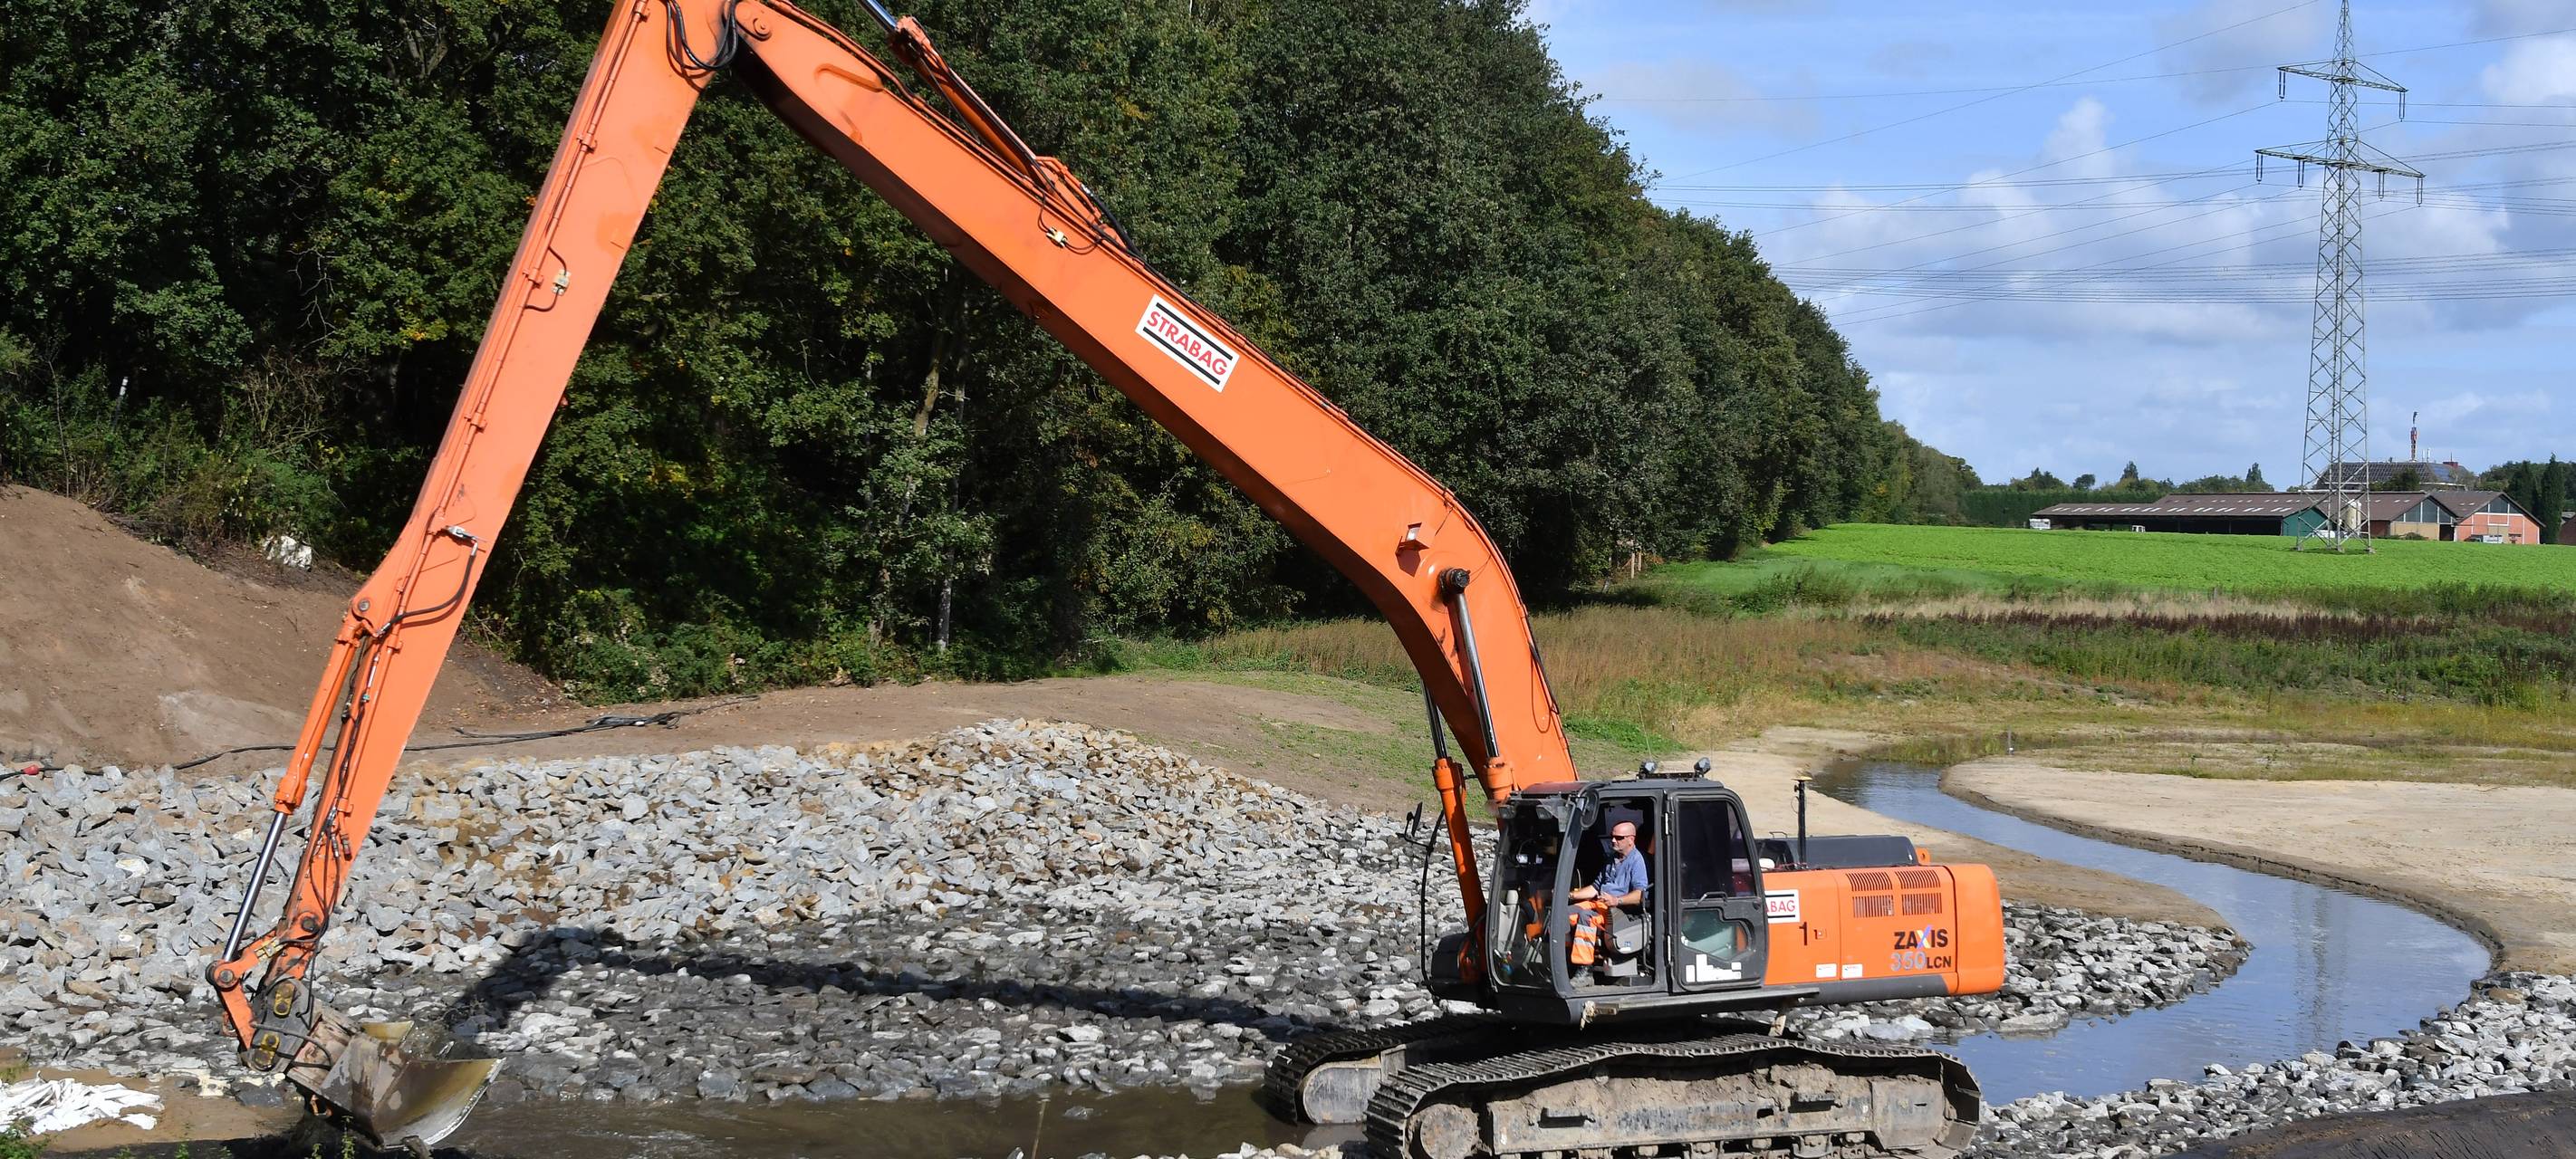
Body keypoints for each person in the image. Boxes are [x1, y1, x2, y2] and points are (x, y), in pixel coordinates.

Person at [1563, 821, 1647, 968]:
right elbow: (1595, 888)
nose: (1613, 840)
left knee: (1586, 918)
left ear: (1631, 839)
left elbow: (1639, 895)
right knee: (1562, 914)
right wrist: (1568, 896)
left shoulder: (1637, 861)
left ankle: (1584, 969)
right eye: (1612, 836)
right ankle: (1563, 957)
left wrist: (1616, 900)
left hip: (1616, 911)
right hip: (1599, 904)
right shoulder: (1612, 859)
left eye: (1619, 838)